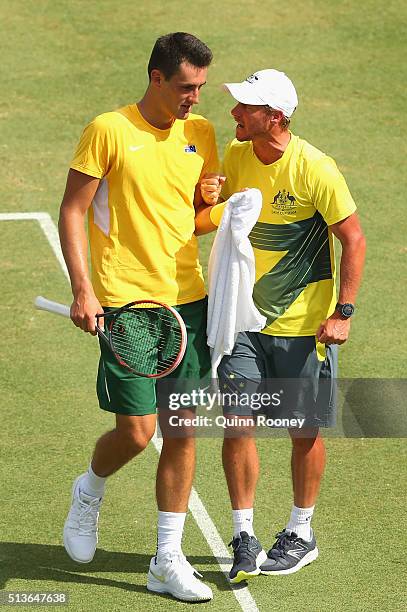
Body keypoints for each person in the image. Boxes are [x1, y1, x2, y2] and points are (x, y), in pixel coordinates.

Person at [58, 32, 219, 602]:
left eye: (199, 87)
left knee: (181, 430)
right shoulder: (109, 130)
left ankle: (166, 560)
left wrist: (217, 206)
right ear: (156, 78)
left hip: (187, 302)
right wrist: (83, 289)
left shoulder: (200, 134)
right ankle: (90, 489)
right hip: (127, 302)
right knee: (137, 430)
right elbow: (74, 210)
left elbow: (194, 219)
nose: (194, 98)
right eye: (185, 86)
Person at [196, 68, 366, 583]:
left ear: (275, 116)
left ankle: (300, 531)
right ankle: (244, 533)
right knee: (238, 423)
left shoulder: (316, 168)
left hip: (303, 328)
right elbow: (216, 214)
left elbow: (352, 239)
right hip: (244, 322)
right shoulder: (237, 155)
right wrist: (207, 197)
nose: (234, 114)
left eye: (245, 107)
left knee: (302, 431)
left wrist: (343, 313)